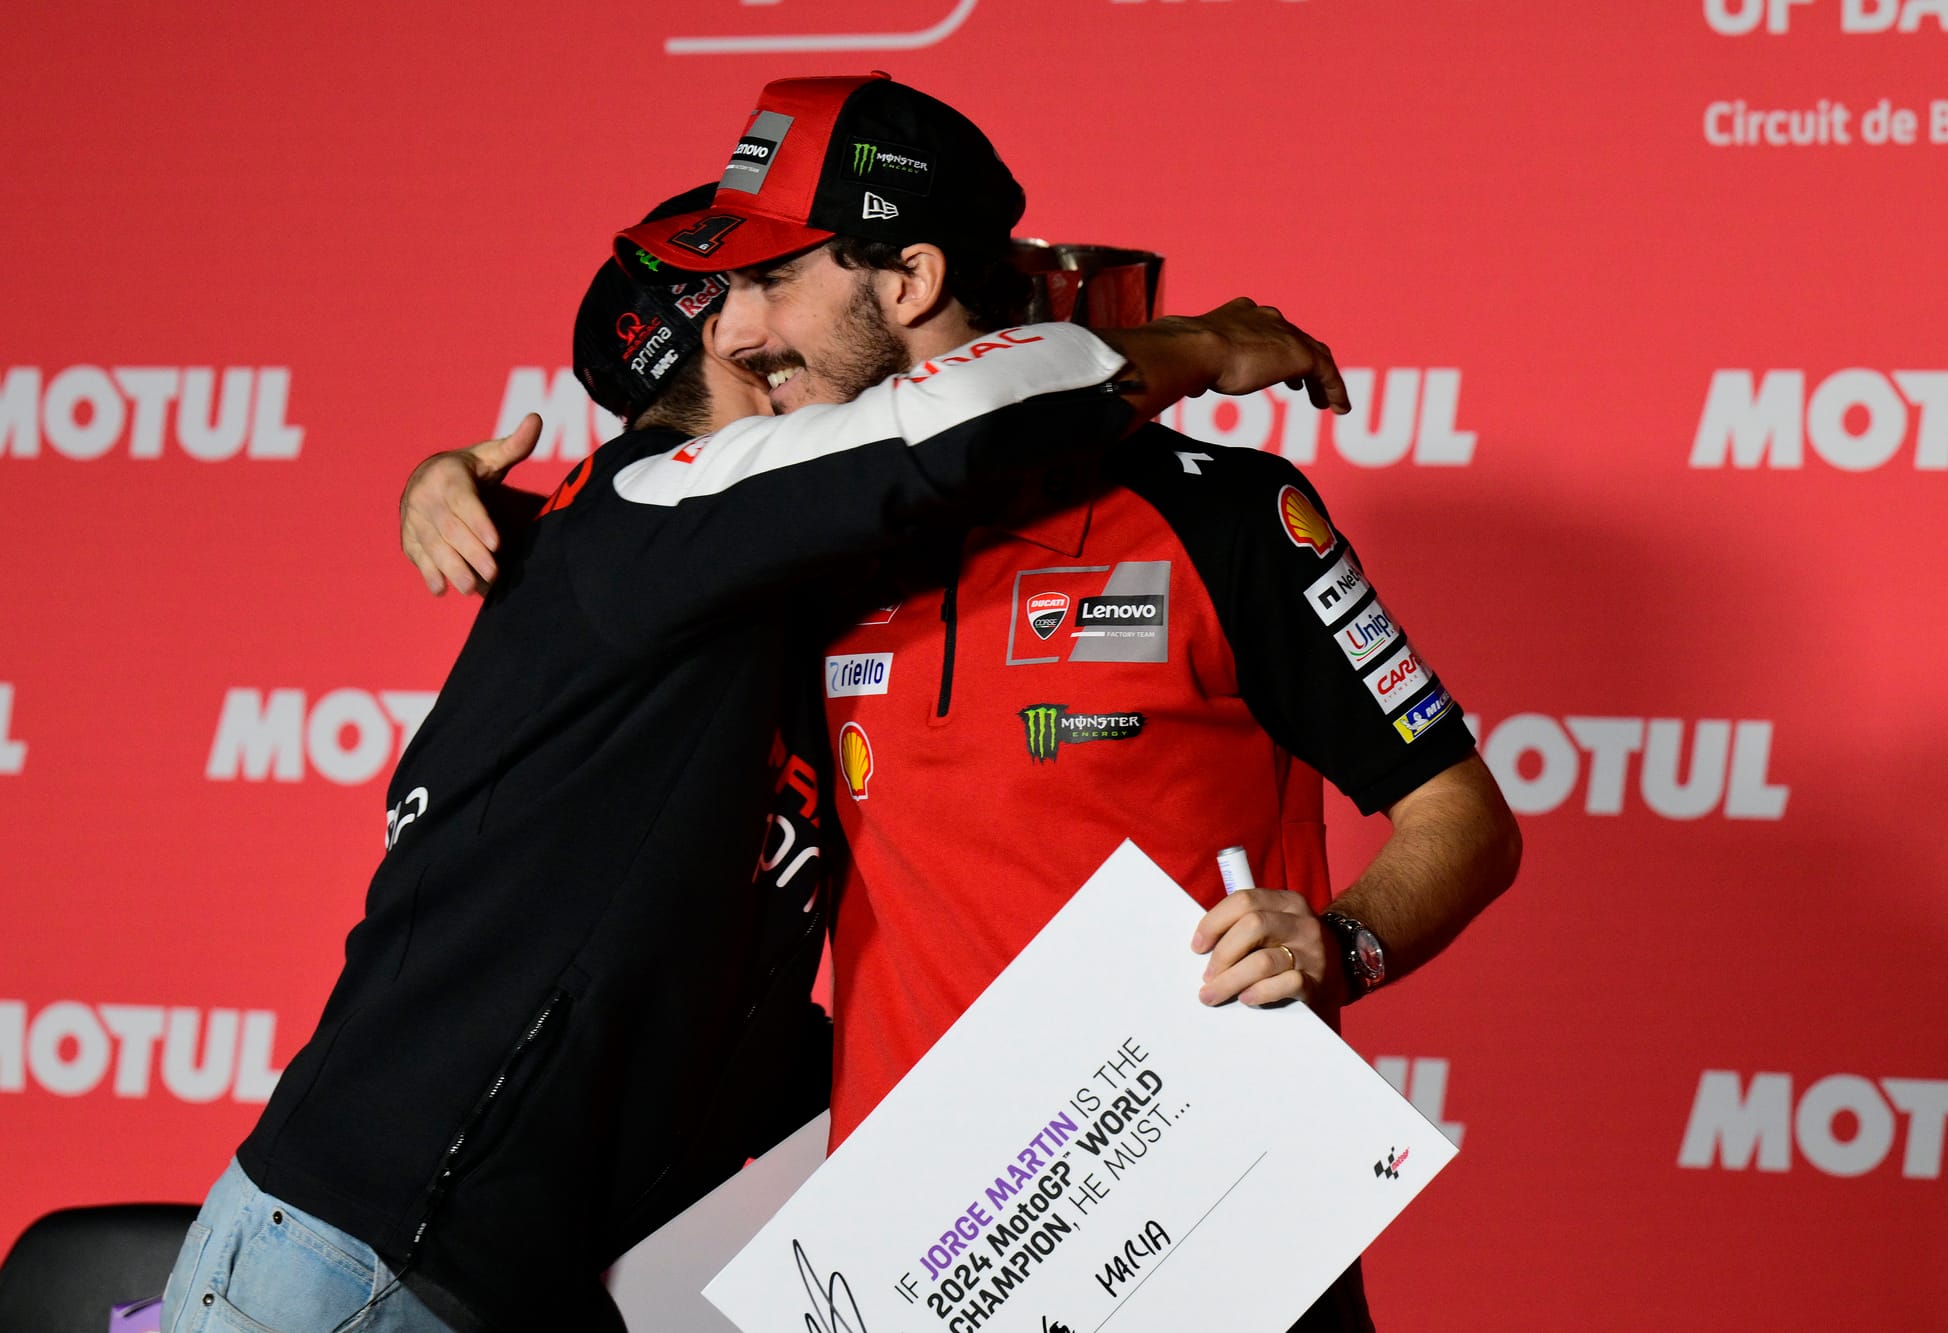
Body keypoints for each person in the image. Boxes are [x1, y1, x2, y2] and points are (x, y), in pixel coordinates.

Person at [408, 74, 1519, 1331]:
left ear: (908, 282)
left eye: (776, 282)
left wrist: (1342, 942)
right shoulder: (800, 543)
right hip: (917, 1254)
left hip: (1205, 1220)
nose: (742, 329)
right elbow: (609, 575)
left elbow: (1464, 816)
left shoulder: (1223, 515)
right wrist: (451, 491)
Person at [166, 167, 1348, 1332]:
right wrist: (1202, 344)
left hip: (506, 1268)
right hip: (364, 1262)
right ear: (736, 350)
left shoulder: (698, 576)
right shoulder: (649, 513)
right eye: (765, 295)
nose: (802, 332)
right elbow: (958, 426)